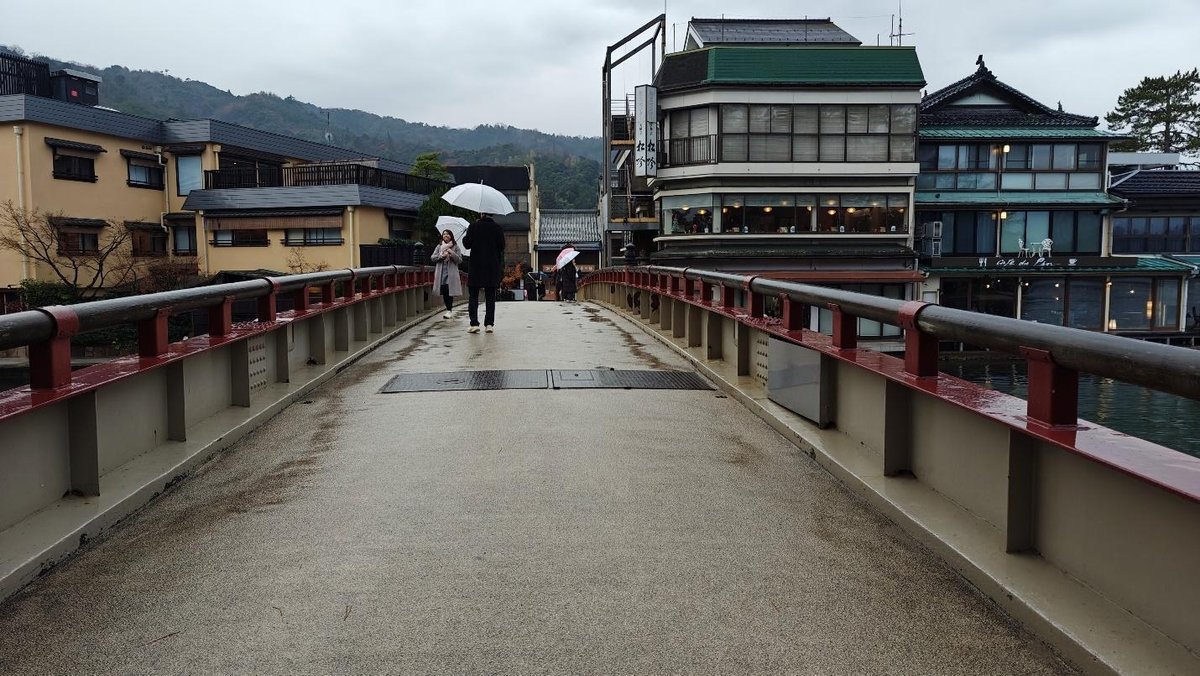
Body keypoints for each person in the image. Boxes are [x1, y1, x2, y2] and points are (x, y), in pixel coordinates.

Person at [461, 212, 505, 333]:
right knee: (490, 296)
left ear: (482, 214)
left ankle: (474, 323)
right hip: (492, 266)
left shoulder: (473, 226)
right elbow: (502, 247)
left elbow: (466, 244)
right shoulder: (498, 228)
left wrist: (467, 234)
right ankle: (489, 324)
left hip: (476, 266)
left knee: (473, 296)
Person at [430, 229, 463, 319]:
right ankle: (448, 309)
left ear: (451, 236)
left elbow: (459, 260)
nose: (445, 235)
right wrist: (441, 256)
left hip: (451, 273)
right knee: (444, 291)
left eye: (447, 234)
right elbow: (433, 258)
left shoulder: (455, 247)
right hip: (441, 272)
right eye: (444, 234)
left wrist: (451, 253)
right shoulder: (439, 246)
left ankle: (449, 310)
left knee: (449, 290)